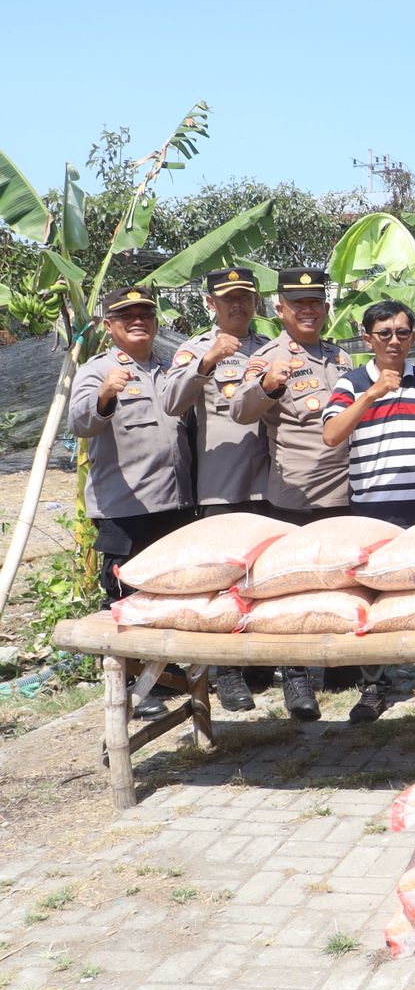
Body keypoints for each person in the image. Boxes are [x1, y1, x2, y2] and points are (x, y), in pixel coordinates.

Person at [231, 267, 354, 721]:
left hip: (345, 491)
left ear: (325, 308)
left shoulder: (342, 357)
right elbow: (240, 410)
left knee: (340, 582)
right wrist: (267, 386)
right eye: (297, 304)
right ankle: (296, 678)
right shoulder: (266, 358)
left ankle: (341, 667)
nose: (308, 310)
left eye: (315, 303)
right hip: (294, 495)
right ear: (279, 309)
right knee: (292, 590)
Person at [321, 300, 415, 721]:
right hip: (373, 505)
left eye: (402, 332)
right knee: (372, 595)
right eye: (384, 333)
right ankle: (375, 684)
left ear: (412, 336)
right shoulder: (351, 382)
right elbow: (331, 434)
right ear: (367, 338)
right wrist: (370, 396)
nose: (394, 340)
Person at [69, 286, 195, 720]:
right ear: (110, 326)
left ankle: (168, 671)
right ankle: (132, 682)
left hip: (175, 503)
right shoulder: (97, 369)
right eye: (127, 315)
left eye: (145, 313)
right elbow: (82, 423)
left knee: (169, 591)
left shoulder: (168, 369)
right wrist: (106, 393)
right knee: (124, 597)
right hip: (126, 507)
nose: (138, 320)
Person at [161, 266, 272, 713]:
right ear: (211, 303)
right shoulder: (194, 350)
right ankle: (228, 673)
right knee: (225, 579)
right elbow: (171, 402)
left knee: (265, 575)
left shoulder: (272, 347)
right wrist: (207, 363)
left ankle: (265, 663)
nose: (237, 305)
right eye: (228, 298)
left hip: (271, 481)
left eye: (245, 296)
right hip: (222, 483)